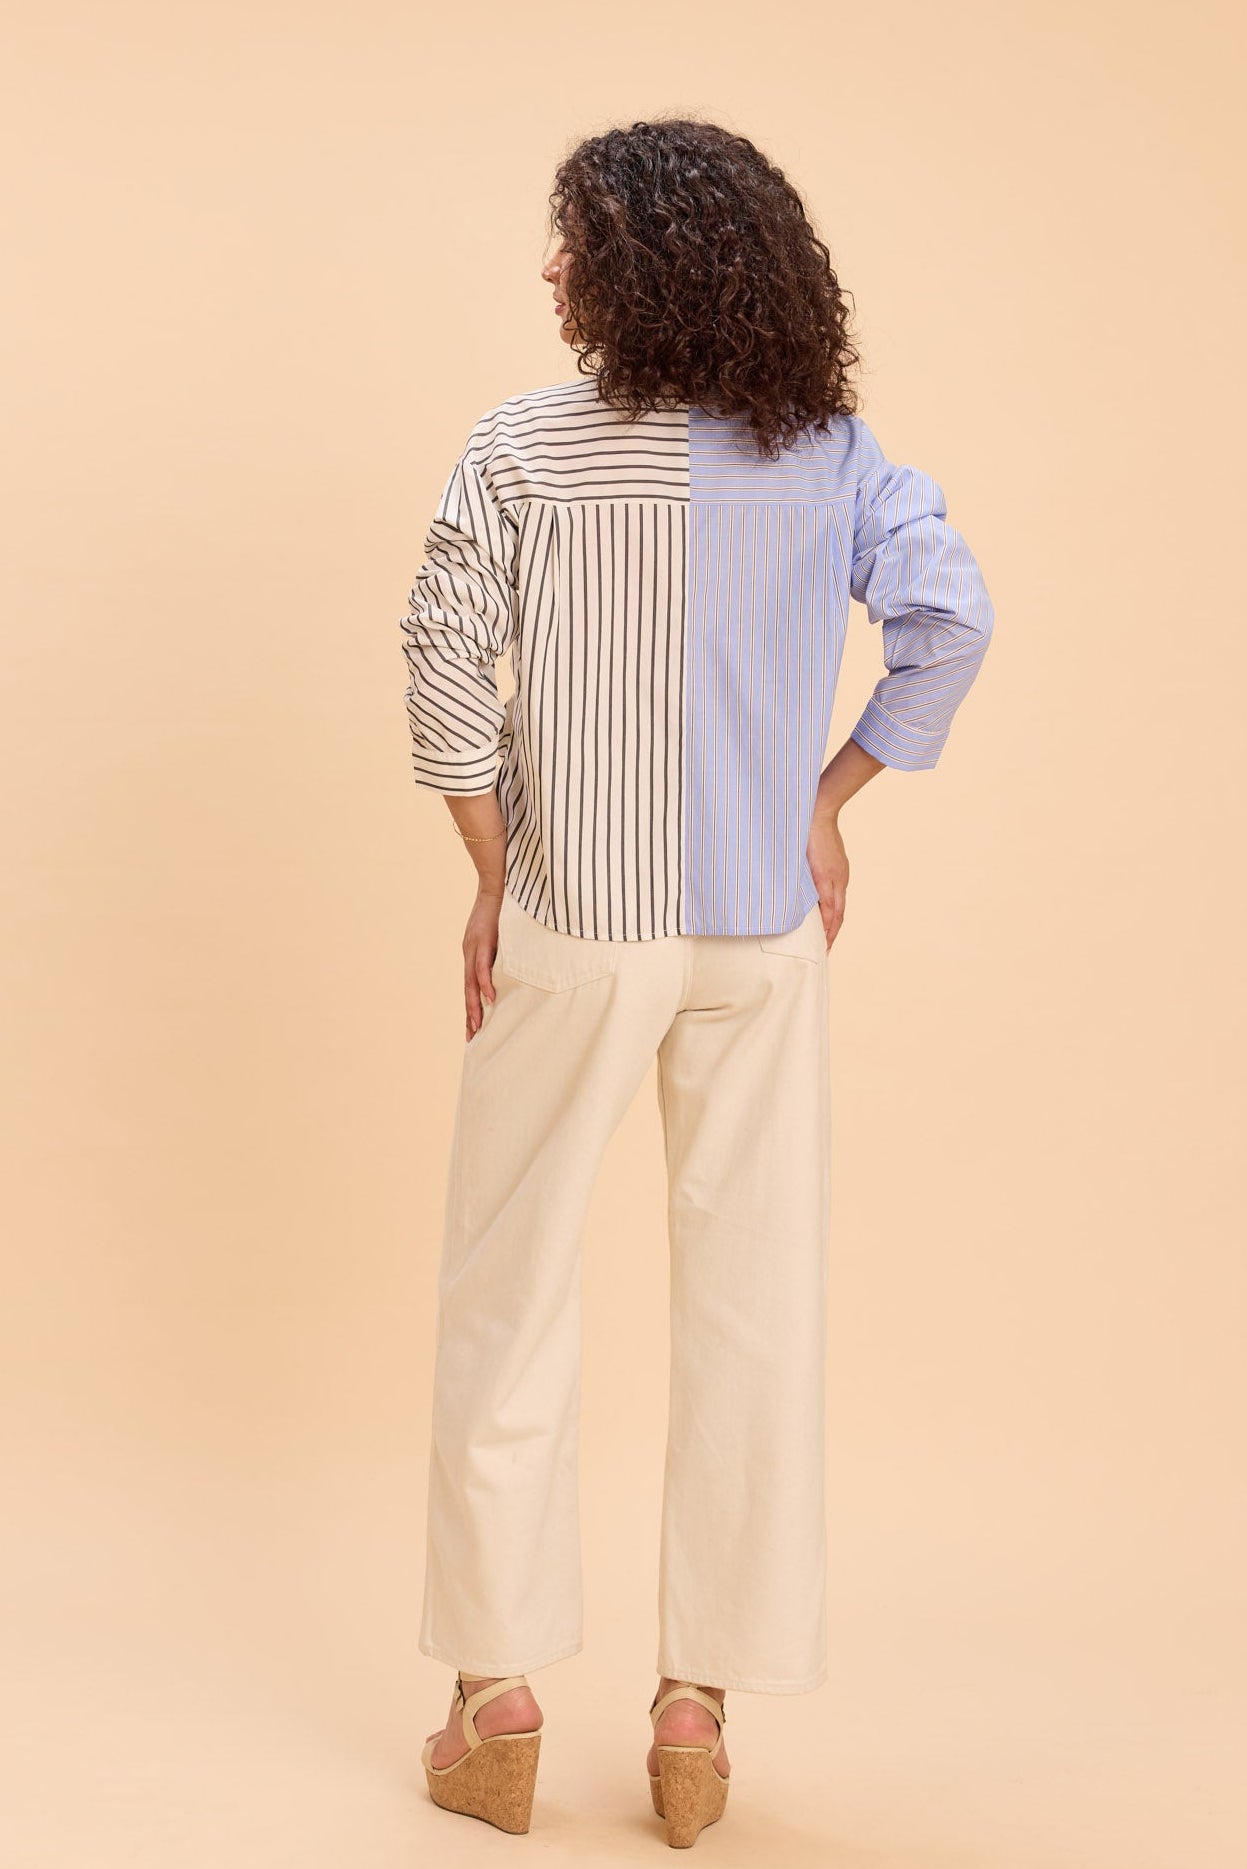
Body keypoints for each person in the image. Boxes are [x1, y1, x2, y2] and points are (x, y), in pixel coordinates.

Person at [398, 115, 994, 1845]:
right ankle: (694, 1716)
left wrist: (493, 865)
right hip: (759, 931)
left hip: (577, 923)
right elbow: (950, 615)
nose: (552, 268)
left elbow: (441, 653)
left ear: (635, 267)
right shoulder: (829, 454)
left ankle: (498, 1696)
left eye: (574, 239)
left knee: (511, 1284)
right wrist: (827, 799)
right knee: (753, 1301)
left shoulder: (522, 446)